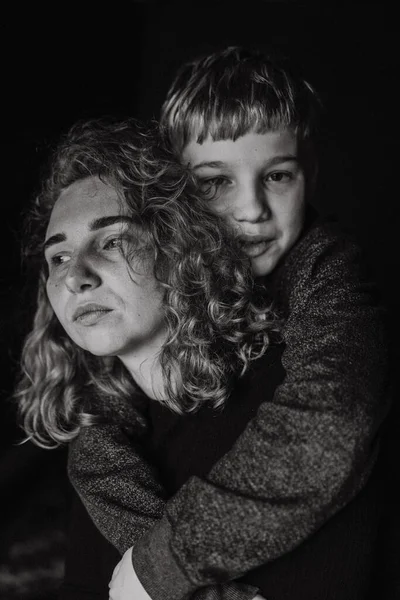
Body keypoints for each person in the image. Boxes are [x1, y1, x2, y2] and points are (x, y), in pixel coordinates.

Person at [63, 47, 391, 600]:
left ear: (309, 173)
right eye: (215, 182)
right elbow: (98, 433)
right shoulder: (155, 280)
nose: (253, 209)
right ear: (171, 193)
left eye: (278, 176)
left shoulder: (326, 268)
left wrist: (162, 566)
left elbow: (333, 427)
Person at [15, 115, 274, 600]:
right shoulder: (103, 441)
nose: (76, 278)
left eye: (111, 241)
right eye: (59, 258)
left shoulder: (279, 393)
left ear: (179, 246)